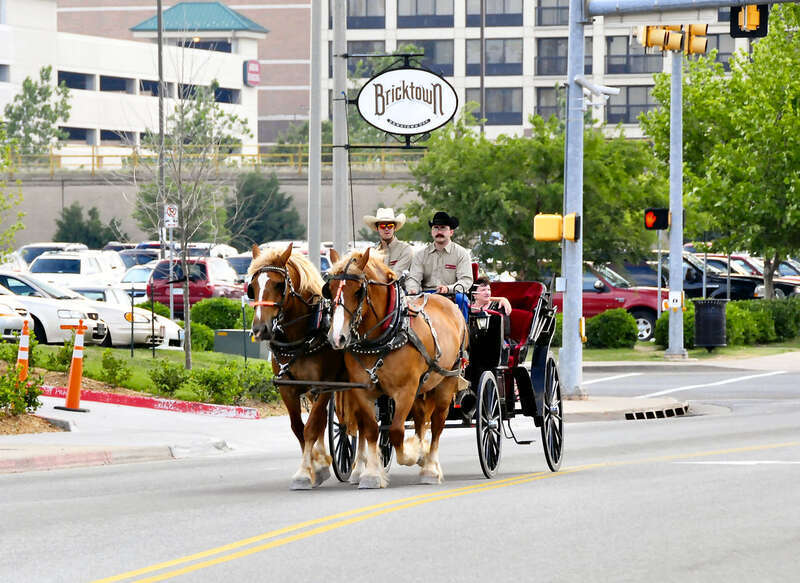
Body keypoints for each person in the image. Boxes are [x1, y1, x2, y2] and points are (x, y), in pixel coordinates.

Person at [407, 211, 473, 320]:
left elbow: (466, 281)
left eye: (443, 228)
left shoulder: (461, 253)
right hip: (426, 294)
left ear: (451, 232)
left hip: (451, 294)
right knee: (405, 303)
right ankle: (407, 335)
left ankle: (464, 334)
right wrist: (413, 289)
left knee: (462, 300)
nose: (439, 231)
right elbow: (414, 277)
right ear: (432, 231)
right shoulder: (420, 255)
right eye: (436, 228)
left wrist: (448, 288)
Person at [362, 207, 413, 274]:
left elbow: (394, 276)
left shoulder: (405, 249)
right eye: (382, 226)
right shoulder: (372, 252)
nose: (386, 229)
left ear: (394, 228)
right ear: (377, 228)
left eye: (390, 226)